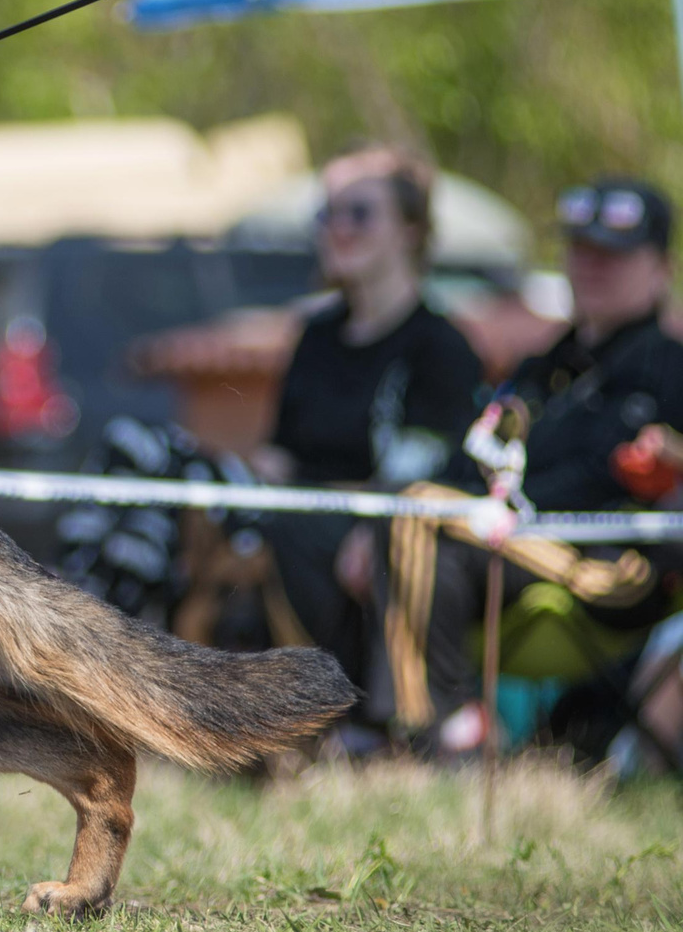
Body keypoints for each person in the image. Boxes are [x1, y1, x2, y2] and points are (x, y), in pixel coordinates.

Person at [409, 177, 683, 746]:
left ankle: (434, 734)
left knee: (424, 528)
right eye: (581, 250)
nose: (592, 266)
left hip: (614, 567)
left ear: (660, 267)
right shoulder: (542, 367)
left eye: (615, 254)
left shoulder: (670, 366)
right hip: (510, 550)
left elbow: (596, 479)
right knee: (389, 528)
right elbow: (472, 457)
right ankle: (394, 731)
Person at [251, 149, 483, 728]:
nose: (338, 228)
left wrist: (366, 524)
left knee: (294, 531)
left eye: (358, 212)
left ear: (410, 230)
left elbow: (421, 472)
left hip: (376, 523)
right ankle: (99, 699)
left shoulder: (442, 346)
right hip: (290, 506)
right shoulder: (314, 334)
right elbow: (279, 453)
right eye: (327, 214)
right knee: (144, 458)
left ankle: (353, 725)